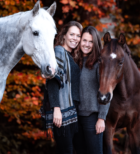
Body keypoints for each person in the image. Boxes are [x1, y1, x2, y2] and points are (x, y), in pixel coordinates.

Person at [41, 21, 82, 154]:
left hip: (71, 112)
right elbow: (53, 81)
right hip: (63, 113)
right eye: (72, 34)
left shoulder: (69, 55)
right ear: (64, 35)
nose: (75, 38)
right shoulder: (59, 52)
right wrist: (56, 109)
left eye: (78, 35)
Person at [73, 26, 111, 154]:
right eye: (84, 40)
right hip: (76, 117)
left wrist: (101, 118)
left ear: (95, 44)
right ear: (79, 41)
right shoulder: (75, 61)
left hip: (92, 118)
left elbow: (106, 91)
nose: (87, 44)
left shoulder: (99, 64)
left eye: (91, 42)